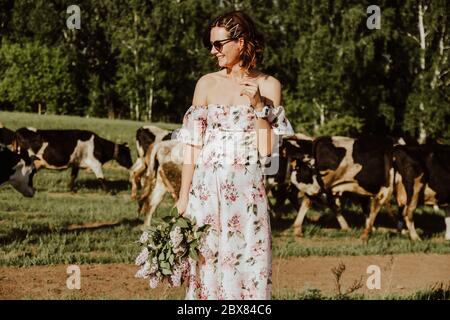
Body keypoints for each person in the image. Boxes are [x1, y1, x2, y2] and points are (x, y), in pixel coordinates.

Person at [175, 10, 294, 300]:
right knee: (206, 265)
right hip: (206, 192)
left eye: (218, 44)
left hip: (246, 194)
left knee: (247, 268)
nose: (212, 51)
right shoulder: (205, 84)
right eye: (210, 44)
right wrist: (183, 196)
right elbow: (192, 145)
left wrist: (258, 107)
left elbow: (267, 151)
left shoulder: (268, 86)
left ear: (240, 42)